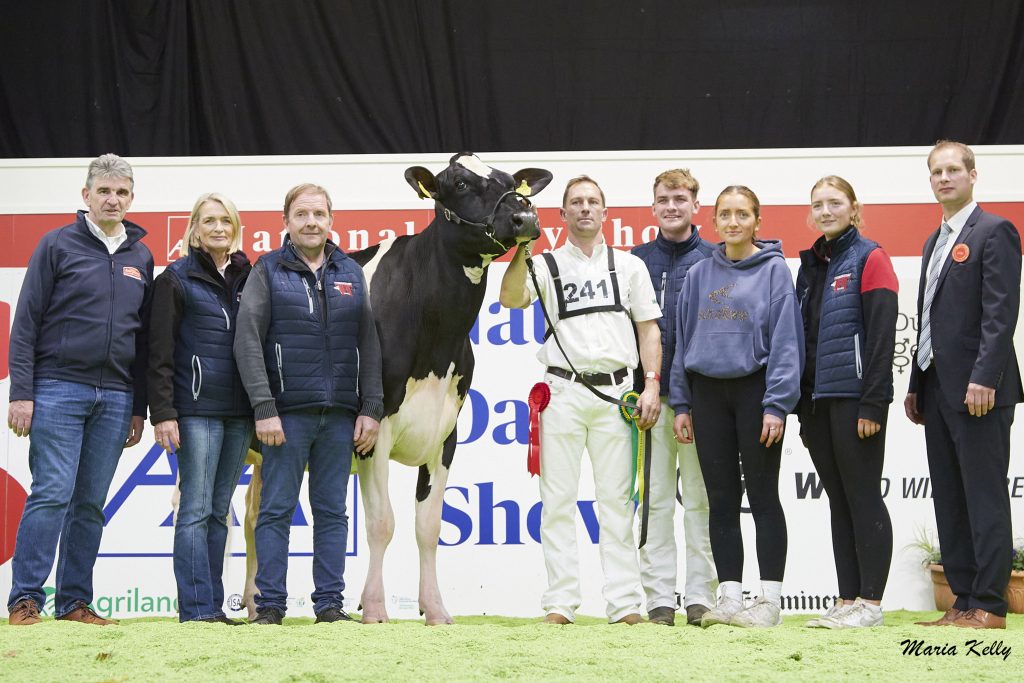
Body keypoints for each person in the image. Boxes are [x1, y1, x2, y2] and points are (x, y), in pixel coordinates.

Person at [499, 175, 662, 625]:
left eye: (593, 201)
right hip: (562, 392)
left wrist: (651, 383)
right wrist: (523, 247)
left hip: (616, 395)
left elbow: (649, 329)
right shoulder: (546, 264)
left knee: (615, 503)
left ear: (606, 213)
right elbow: (510, 297)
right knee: (557, 503)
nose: (585, 208)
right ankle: (560, 603)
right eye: (576, 202)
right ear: (563, 214)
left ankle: (626, 604)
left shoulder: (630, 267)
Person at [6, 153, 153, 626]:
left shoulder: (141, 256)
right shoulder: (56, 245)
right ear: (85, 195)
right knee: (52, 491)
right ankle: (25, 599)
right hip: (56, 388)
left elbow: (144, 338)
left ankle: (74, 603)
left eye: (122, 192)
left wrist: (137, 407)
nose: (113, 199)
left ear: (131, 198)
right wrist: (21, 394)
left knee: (90, 503)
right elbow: (25, 323)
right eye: (104, 191)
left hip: (115, 398)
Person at [233, 183, 384, 625]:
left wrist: (371, 407)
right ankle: (271, 606)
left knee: (333, 513)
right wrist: (264, 408)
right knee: (276, 510)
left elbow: (370, 344)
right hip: (286, 417)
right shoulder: (267, 270)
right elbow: (247, 342)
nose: (311, 222)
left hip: (339, 416)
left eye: (319, 213)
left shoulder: (350, 273)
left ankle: (329, 606)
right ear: (286, 222)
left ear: (331, 220)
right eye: (302, 214)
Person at [670, 185, 803, 628]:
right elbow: (681, 343)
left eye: (742, 214)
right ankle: (728, 596)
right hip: (707, 396)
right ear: (713, 221)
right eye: (725, 213)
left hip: (755, 394)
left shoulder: (775, 272)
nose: (733, 221)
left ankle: (768, 602)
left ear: (757, 222)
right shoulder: (698, 275)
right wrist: (682, 403)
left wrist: (777, 405)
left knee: (764, 497)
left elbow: (787, 343)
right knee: (721, 500)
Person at [906, 140, 1022, 630]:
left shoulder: (995, 231)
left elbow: (1000, 315)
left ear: (973, 175)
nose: (944, 178)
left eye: (954, 169)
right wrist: (916, 383)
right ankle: (961, 601)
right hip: (937, 389)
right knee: (950, 495)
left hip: (980, 391)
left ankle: (991, 606)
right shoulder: (934, 241)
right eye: (937, 171)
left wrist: (984, 378)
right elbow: (929, 317)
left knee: (983, 495)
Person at [795, 177, 898, 629]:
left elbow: (881, 338)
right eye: (817, 204)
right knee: (838, 500)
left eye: (834, 203)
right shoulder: (811, 264)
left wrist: (873, 403)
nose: (825, 211)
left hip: (856, 400)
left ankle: (871, 605)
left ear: (853, 207)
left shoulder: (871, 257)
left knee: (862, 496)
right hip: (817, 404)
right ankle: (847, 599)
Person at [148, 193, 253, 624]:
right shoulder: (175, 279)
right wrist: (164, 413)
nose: (218, 228)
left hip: (240, 413)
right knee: (194, 508)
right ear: (194, 229)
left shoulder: (252, 277)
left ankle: (212, 604)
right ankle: (195, 609)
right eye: (208, 221)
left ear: (235, 228)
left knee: (219, 509)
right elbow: (159, 352)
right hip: (195, 410)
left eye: (225, 221)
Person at [630, 169, 716, 626]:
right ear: (653, 206)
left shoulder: (716, 258)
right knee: (656, 503)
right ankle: (659, 599)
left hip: (703, 403)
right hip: (651, 402)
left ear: (695, 205)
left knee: (702, 502)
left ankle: (702, 597)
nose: (671, 206)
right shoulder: (635, 261)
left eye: (680, 198)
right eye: (663, 199)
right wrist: (646, 385)